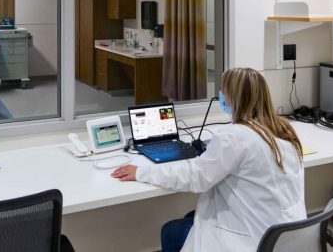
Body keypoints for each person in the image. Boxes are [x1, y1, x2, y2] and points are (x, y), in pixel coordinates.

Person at [112, 68, 305, 252]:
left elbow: (194, 177)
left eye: (225, 91)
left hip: (250, 240)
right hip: (285, 235)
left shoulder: (234, 137)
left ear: (235, 98)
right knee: (192, 216)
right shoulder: (283, 130)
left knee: (171, 231)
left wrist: (140, 172)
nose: (221, 94)